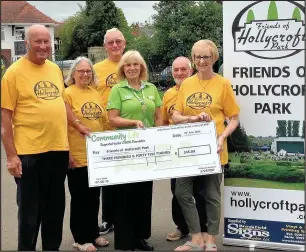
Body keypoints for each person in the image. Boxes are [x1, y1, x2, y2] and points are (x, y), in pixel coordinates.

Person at [1, 24, 69, 251]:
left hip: (58, 151)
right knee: (30, 212)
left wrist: (76, 128)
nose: (43, 46)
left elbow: (61, 105)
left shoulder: (54, 69)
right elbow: (5, 119)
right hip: (29, 153)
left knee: (55, 210)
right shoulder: (13, 73)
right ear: (26, 43)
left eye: (46, 41)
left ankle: (52, 248)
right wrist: (11, 156)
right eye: (37, 42)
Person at [172, 40, 240, 251]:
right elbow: (175, 116)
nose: (202, 61)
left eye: (206, 57)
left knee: (212, 195)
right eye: (198, 57)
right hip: (189, 149)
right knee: (182, 192)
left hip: (215, 150)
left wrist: (222, 137)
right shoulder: (187, 84)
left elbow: (234, 118)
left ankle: (210, 239)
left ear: (214, 58)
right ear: (193, 59)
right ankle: (195, 237)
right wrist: (192, 119)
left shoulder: (223, 84)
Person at [106, 50, 162, 251]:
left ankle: (140, 237)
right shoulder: (118, 90)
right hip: (125, 150)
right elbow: (112, 119)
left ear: (142, 68)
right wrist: (133, 121)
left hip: (147, 148)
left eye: (135, 65)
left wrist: (159, 138)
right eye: (127, 65)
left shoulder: (152, 88)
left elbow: (158, 118)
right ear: (123, 69)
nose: (131, 68)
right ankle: (125, 241)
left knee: (143, 194)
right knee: (124, 195)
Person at [63, 57, 110, 251]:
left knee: (93, 197)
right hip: (78, 154)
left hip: (96, 155)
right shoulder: (67, 94)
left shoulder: (95, 93)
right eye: (81, 71)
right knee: (80, 197)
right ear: (73, 74)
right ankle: (80, 239)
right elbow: (61, 125)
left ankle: (93, 233)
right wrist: (68, 154)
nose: (85, 74)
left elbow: (104, 121)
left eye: (88, 71)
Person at [162, 57, 208, 242]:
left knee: (200, 191)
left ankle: (203, 229)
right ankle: (182, 227)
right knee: (178, 191)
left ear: (191, 70)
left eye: (184, 69)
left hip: (198, 148)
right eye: (176, 70)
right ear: (172, 72)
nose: (180, 73)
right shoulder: (168, 95)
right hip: (176, 150)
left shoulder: (199, 89)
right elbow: (164, 122)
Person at [93, 27, 126, 235]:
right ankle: (107, 220)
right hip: (104, 132)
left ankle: (124, 219)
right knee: (106, 180)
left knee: (125, 178)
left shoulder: (131, 64)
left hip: (128, 130)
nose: (115, 45)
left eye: (118, 41)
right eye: (111, 42)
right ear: (105, 46)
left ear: (124, 44)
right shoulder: (97, 69)